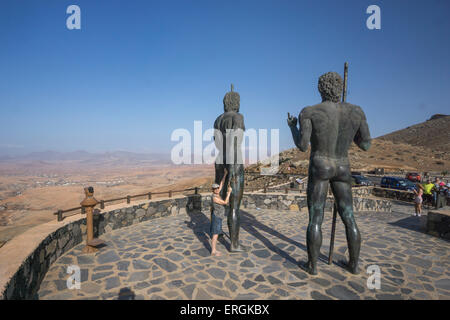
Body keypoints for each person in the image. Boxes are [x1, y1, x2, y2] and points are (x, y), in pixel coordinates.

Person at [287, 71, 371, 275]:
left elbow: (301, 145)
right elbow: (366, 145)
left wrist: (292, 127)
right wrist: (349, 135)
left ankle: (313, 265)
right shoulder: (356, 112)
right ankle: (353, 264)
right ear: (340, 88)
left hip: (320, 165)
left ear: (320, 88)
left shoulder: (310, 112)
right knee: (349, 217)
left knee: (315, 218)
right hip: (342, 165)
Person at [210, 169, 232, 257]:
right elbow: (225, 203)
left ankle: (214, 250)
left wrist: (225, 174)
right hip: (217, 217)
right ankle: (213, 251)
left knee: (216, 233)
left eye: (217, 188)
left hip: (218, 216)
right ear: (212, 190)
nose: (217, 189)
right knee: (215, 235)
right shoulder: (214, 197)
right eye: (215, 188)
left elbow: (222, 183)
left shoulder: (218, 193)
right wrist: (229, 193)